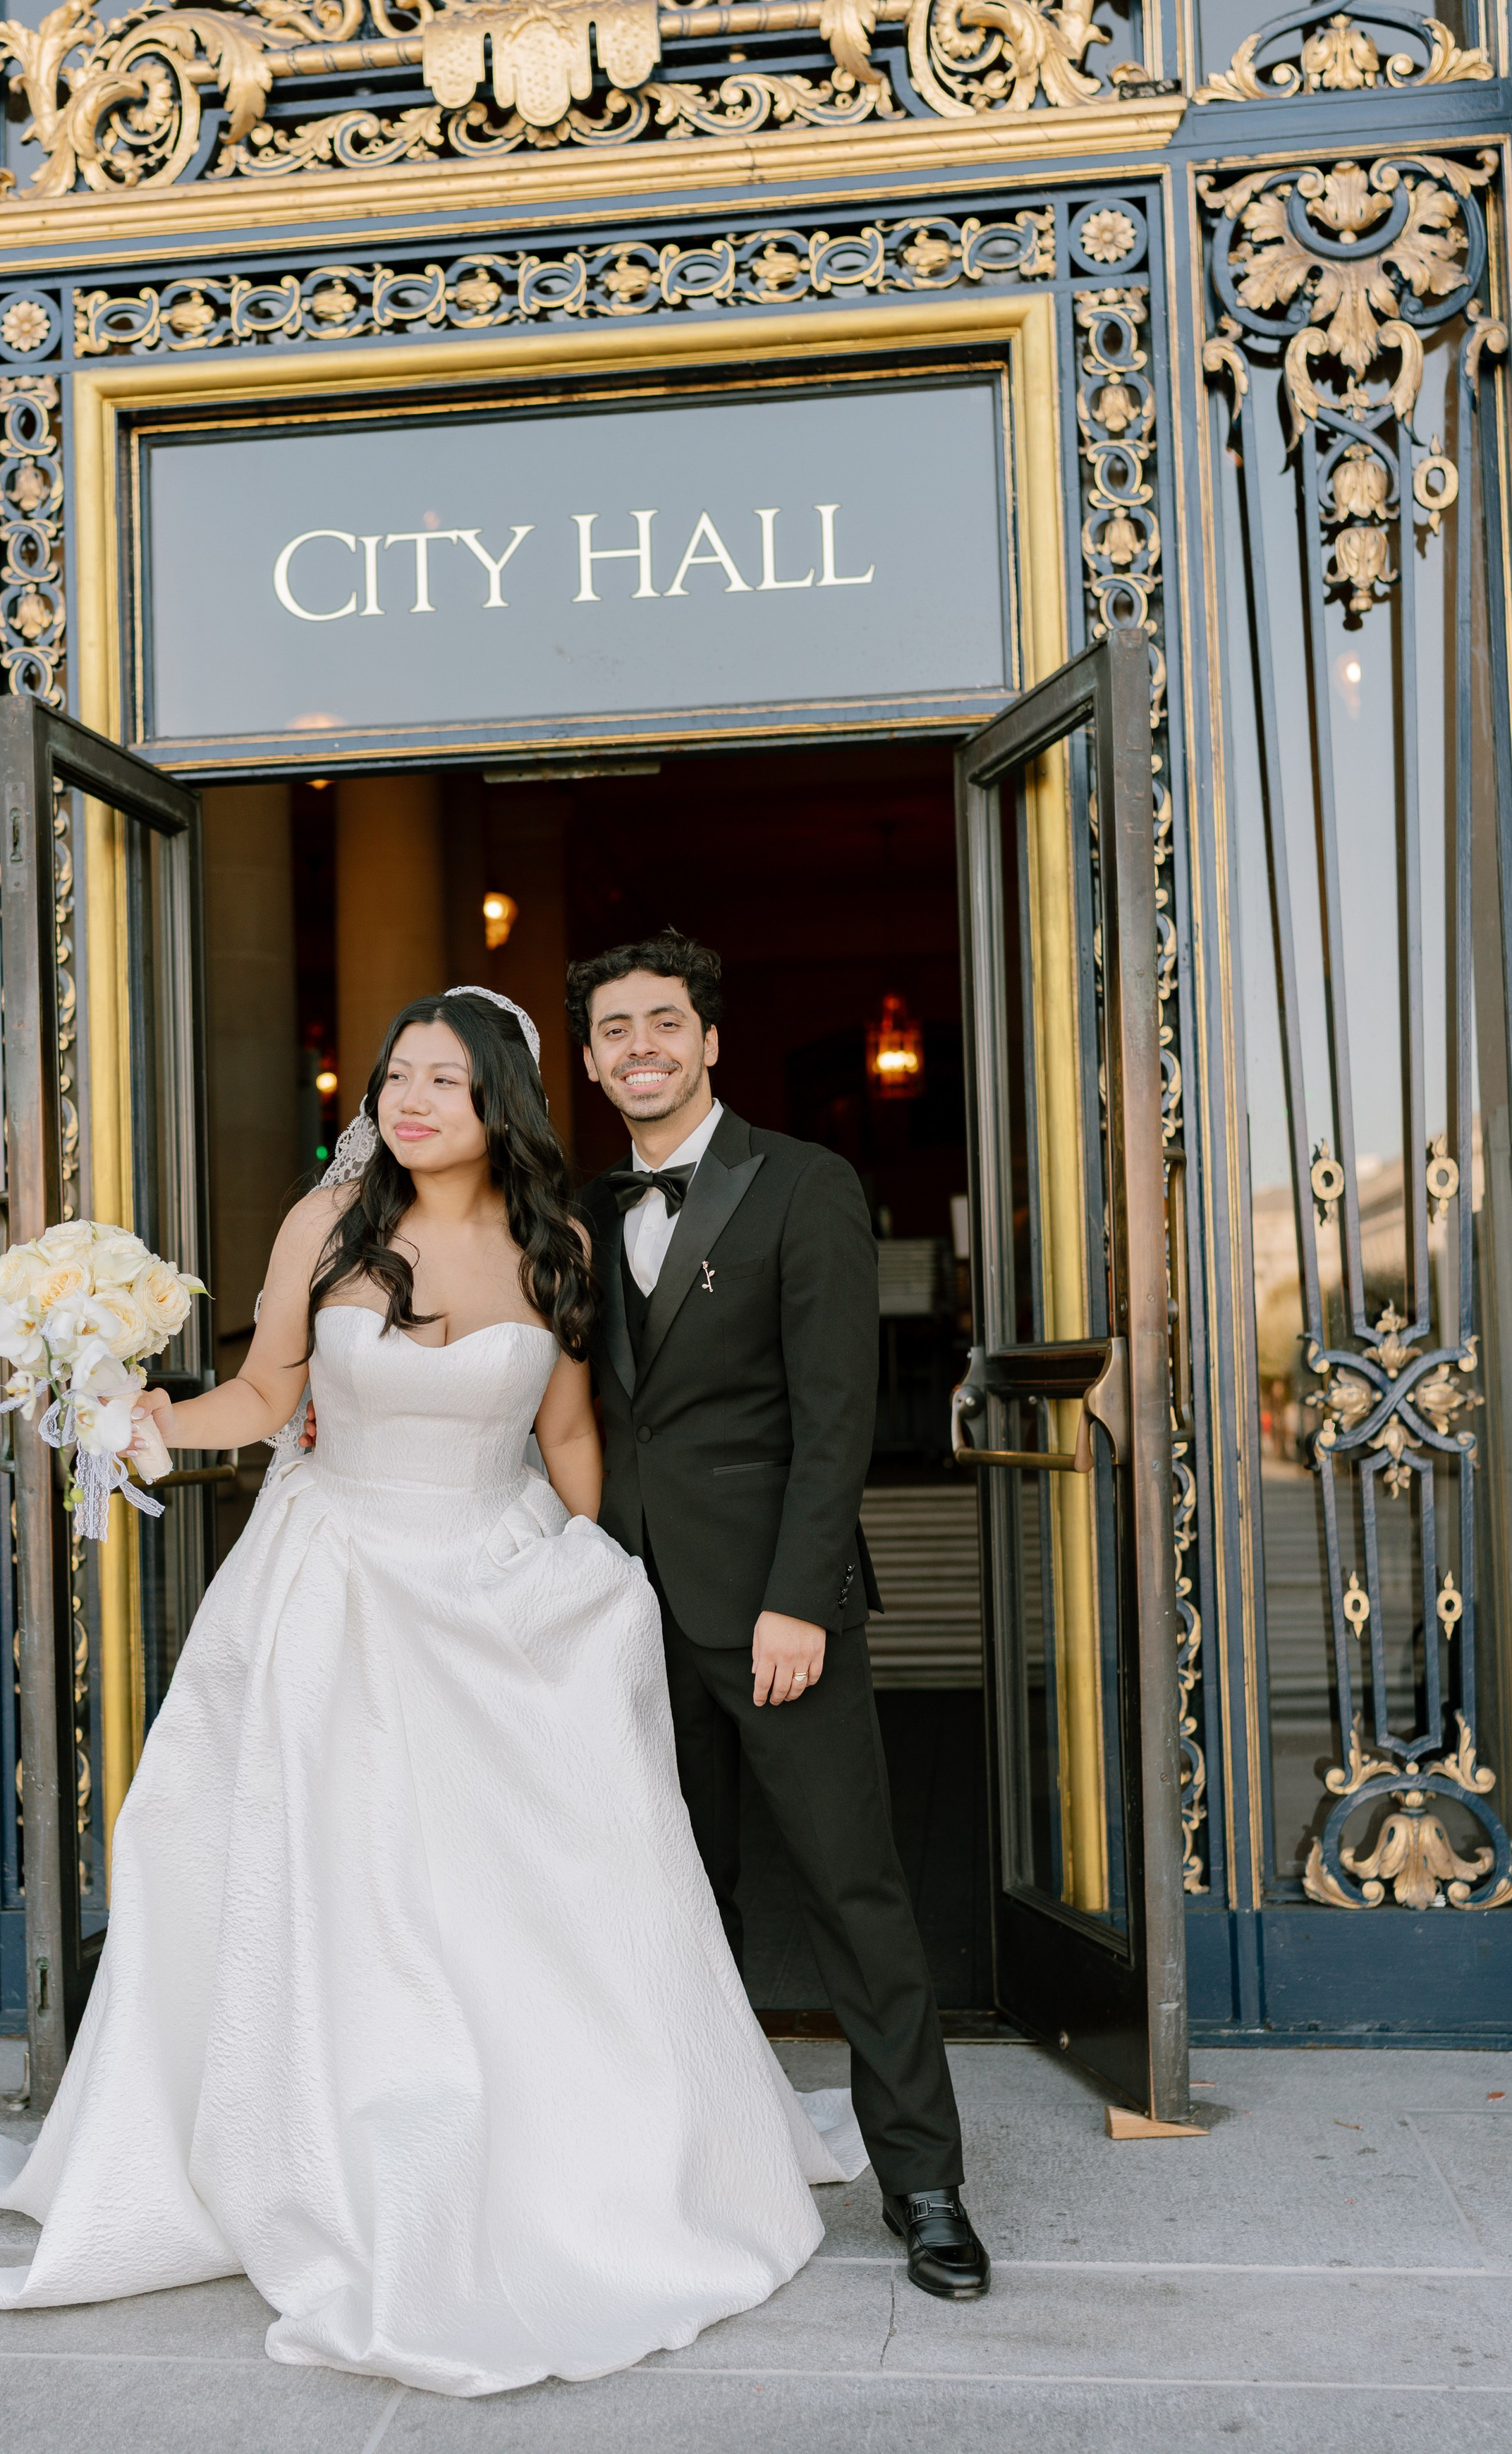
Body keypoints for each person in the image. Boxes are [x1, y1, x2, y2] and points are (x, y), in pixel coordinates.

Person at [0, 987, 864, 2397]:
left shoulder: (556, 1237)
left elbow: (567, 1428)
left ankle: (572, 2155)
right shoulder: (323, 1226)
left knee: (521, 1892)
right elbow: (263, 1397)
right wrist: (142, 1414)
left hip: (502, 1586)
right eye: (395, 1077)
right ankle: (324, 2146)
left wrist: (609, 1579)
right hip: (332, 1587)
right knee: (337, 1881)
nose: (410, 1100)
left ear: (496, 1095)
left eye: (442, 1079)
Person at [571, 933, 990, 2303]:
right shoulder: (569, 1212)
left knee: (851, 1887)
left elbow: (836, 1417)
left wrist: (798, 1598)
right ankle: (682, 2167)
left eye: (662, 1023)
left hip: (772, 1611)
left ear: (708, 1042)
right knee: (668, 1900)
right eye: (613, 1029)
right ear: (586, 1058)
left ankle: (922, 2182)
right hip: (617, 1609)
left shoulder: (803, 1184)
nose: (638, 1045)